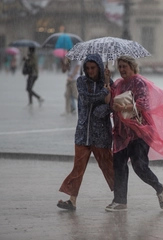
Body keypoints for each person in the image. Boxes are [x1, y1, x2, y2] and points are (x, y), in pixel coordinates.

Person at [105, 55, 163, 212]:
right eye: (120, 66)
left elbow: (143, 105)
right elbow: (111, 104)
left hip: (139, 132)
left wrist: (122, 107)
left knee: (139, 166)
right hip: (121, 133)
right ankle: (120, 201)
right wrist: (106, 84)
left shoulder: (139, 83)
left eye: (125, 66)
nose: (122, 69)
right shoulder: (117, 84)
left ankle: (159, 187)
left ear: (132, 67)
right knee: (119, 166)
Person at [57, 54, 114, 210]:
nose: (90, 71)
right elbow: (87, 98)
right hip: (83, 133)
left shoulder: (109, 83)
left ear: (100, 68)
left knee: (108, 166)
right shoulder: (81, 82)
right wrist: (104, 93)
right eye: (88, 68)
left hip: (101, 134)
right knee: (78, 167)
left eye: (93, 68)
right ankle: (72, 200)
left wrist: (108, 86)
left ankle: (120, 197)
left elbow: (111, 105)